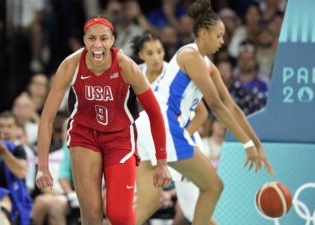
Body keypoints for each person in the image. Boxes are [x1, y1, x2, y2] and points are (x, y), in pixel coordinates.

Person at [135, 1, 274, 225]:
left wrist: (257, 144)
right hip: (163, 126)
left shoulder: (208, 65)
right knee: (213, 186)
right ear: (202, 33)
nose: (222, 41)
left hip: (146, 127)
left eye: (223, 36)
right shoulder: (190, 55)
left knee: (149, 202)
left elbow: (232, 106)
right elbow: (216, 105)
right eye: (218, 36)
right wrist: (246, 144)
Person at [35, 17, 172, 225]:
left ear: (112, 40)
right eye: (91, 38)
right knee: (91, 215)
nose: (97, 45)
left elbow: (155, 113)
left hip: (119, 138)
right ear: (84, 40)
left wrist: (162, 162)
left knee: (118, 215)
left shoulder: (127, 66)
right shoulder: (71, 65)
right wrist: (42, 166)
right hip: (84, 135)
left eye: (103, 38)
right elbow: (46, 118)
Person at [131, 32, 217, 225]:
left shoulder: (174, 72)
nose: (156, 57)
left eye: (159, 51)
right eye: (150, 53)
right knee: (146, 202)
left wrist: (178, 139)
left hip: (182, 141)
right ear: (141, 55)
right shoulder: (135, 74)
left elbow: (202, 113)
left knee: (193, 211)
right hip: (152, 143)